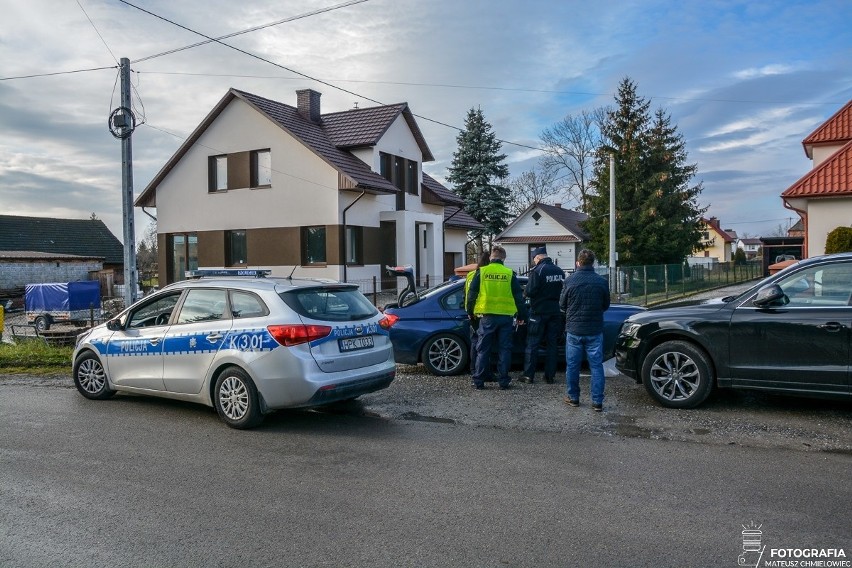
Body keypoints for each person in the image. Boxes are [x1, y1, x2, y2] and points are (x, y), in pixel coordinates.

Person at [466, 245, 526, 390]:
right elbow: (519, 297)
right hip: (506, 317)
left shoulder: (482, 271)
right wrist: (522, 315)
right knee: (505, 349)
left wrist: (470, 311)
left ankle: (479, 381)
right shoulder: (509, 273)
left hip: (487, 317)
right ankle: (503, 381)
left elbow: (472, 294)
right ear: (503, 259)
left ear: (491, 258)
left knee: (483, 349)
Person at [559, 249, 610, 411]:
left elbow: (562, 305)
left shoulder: (570, 281)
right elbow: (605, 305)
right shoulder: (601, 281)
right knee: (596, 366)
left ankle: (573, 397)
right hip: (594, 329)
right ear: (593, 263)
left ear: (578, 262)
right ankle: (597, 401)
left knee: (573, 365)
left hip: (574, 329)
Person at [520, 246, 565, 384]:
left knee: (532, 344)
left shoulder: (538, 271)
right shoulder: (560, 271)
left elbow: (530, 291)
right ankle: (549, 376)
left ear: (538, 257)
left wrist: (525, 293)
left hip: (538, 312)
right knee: (552, 345)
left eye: (534, 258)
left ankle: (528, 375)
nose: (534, 261)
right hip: (555, 312)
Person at [464, 251, 492, 373]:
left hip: (471, 313)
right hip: (483, 311)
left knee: (475, 342)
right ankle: (483, 371)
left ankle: (473, 369)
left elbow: (466, 294)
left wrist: (469, 311)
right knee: (484, 345)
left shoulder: (470, 274)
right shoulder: (485, 274)